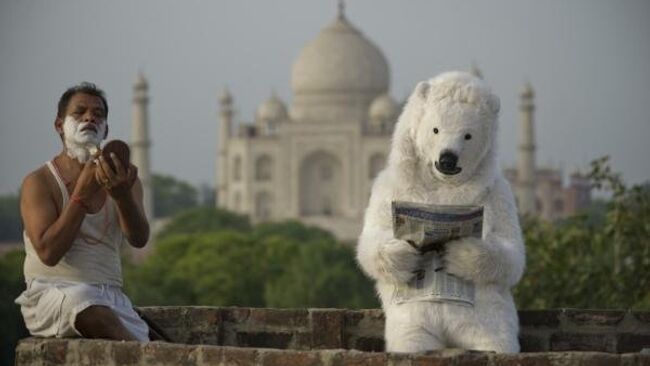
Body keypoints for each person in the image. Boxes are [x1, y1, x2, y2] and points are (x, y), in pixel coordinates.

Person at [15, 82, 151, 341]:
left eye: (98, 114)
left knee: (139, 338)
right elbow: (48, 252)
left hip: (111, 298)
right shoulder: (40, 182)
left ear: (106, 129)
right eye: (79, 112)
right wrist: (81, 195)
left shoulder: (124, 178)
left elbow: (139, 239)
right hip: (53, 294)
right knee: (87, 305)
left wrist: (122, 197)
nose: (90, 117)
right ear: (59, 126)